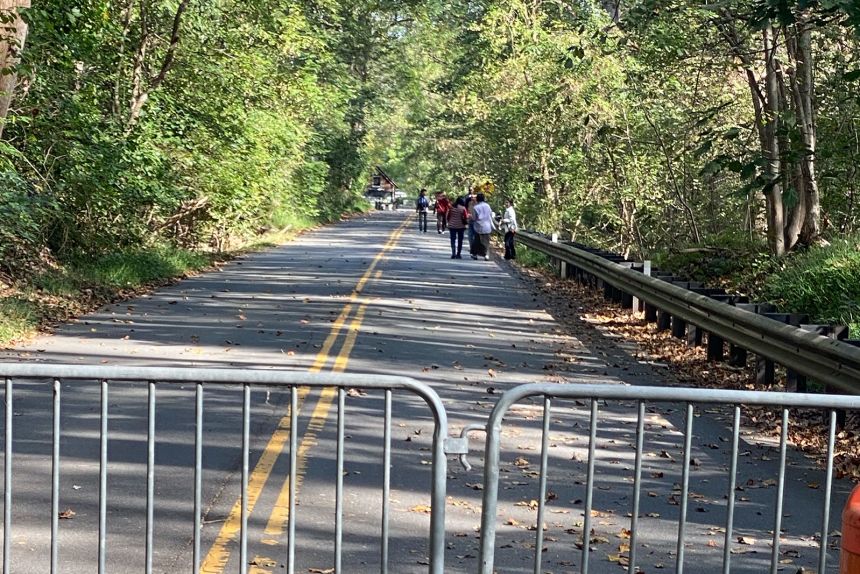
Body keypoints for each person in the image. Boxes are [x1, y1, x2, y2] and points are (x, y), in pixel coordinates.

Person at [470, 192, 495, 260]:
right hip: (487, 226)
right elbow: (490, 214)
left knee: (477, 241)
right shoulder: (488, 206)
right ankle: (486, 255)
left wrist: (470, 217)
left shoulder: (476, 207)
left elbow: (474, 218)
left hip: (478, 226)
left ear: (477, 199)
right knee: (486, 241)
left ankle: (475, 254)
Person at [465, 191, 477, 256]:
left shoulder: (478, 204)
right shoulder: (469, 203)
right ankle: (472, 248)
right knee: (470, 236)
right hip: (470, 222)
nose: (472, 198)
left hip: (476, 223)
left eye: (474, 197)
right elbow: (467, 211)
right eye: (471, 197)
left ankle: (475, 250)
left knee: (476, 237)